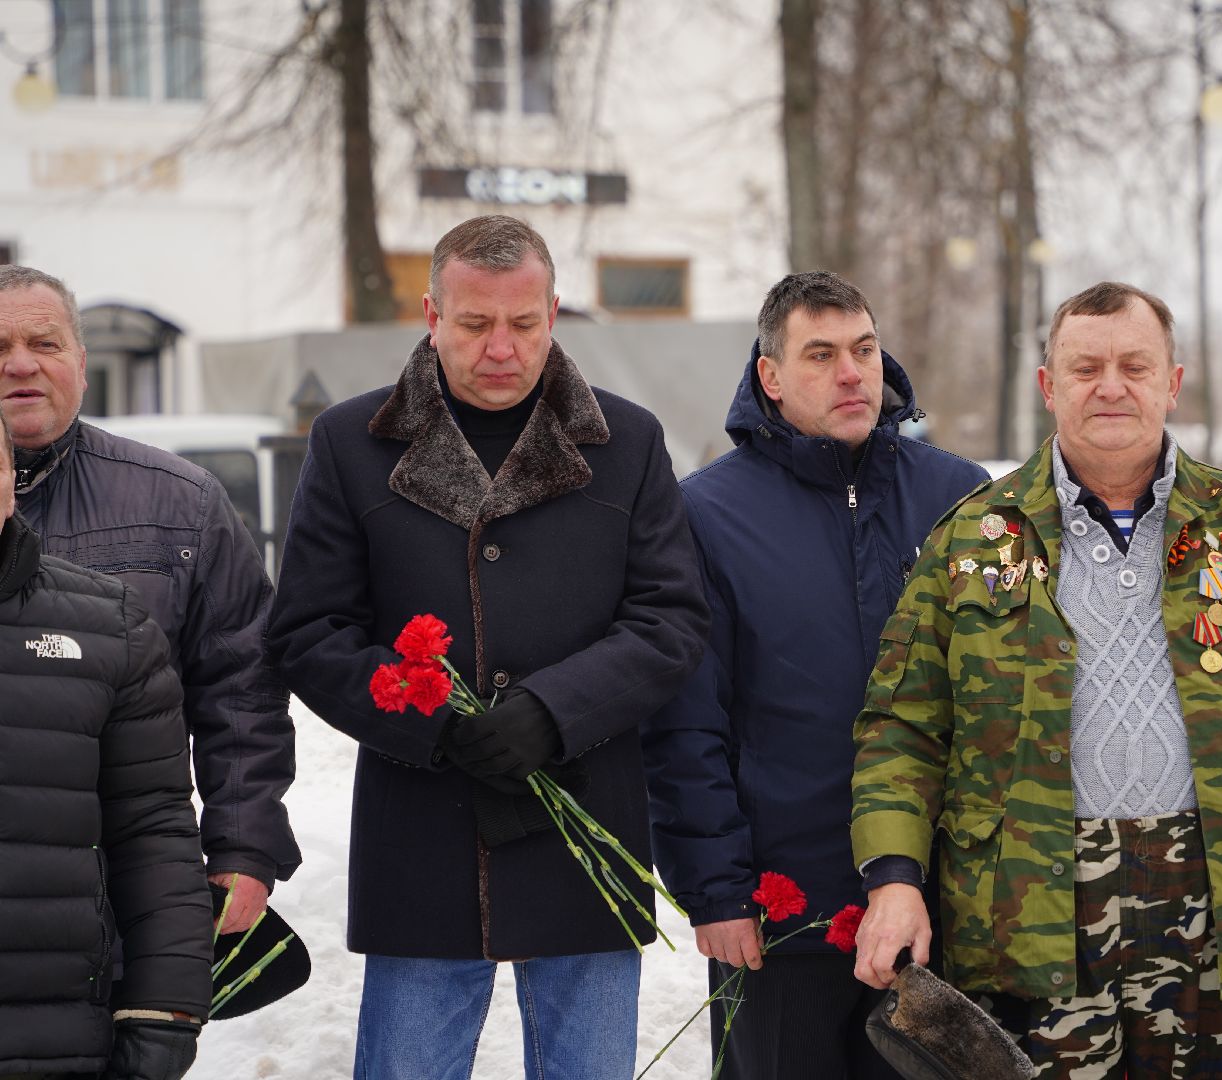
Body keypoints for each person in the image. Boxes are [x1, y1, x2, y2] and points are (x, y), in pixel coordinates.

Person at [851, 282, 1222, 1078]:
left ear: (1172, 383)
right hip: (1031, 911)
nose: (1111, 387)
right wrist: (894, 880)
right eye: (1087, 368)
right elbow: (902, 731)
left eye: (1135, 367)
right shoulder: (973, 538)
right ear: (1050, 386)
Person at [266, 214, 708, 1080]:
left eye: (523, 323)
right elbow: (309, 631)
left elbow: (671, 619)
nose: (500, 347)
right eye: (474, 323)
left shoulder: (628, 442)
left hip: (586, 823)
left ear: (553, 315)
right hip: (423, 834)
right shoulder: (352, 444)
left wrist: (554, 711)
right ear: (432, 315)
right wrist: (433, 722)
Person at [642, 271, 987, 1079]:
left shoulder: (960, 497)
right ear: (771, 375)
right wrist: (716, 891)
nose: (852, 373)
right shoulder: (707, 515)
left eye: (864, 350)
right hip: (781, 913)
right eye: (821, 355)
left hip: (937, 907)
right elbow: (685, 722)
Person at [0, 265, 299, 933]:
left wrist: (243, 846)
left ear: (80, 363)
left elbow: (242, 688)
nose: (21, 364)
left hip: (128, 887)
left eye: (44, 343)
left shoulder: (180, 505)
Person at [0, 413, 213, 1080]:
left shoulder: (109, 628)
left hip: (57, 1037)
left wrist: (163, 1014)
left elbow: (152, 828)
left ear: (10, 478)